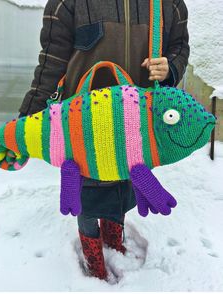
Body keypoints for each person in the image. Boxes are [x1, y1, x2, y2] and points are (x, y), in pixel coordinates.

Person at [18, 0, 190, 281]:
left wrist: (170, 68)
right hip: (83, 125)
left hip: (137, 126)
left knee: (126, 182)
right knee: (87, 191)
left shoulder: (169, 4)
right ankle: (92, 252)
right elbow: (51, 64)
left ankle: (113, 234)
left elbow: (180, 45)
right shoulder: (67, 3)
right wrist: (25, 124)